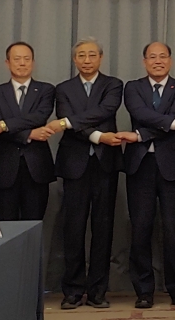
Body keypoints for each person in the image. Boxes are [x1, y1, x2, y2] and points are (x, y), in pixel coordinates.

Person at [118, 42, 175, 309]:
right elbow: (141, 114)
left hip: (171, 166)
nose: (158, 61)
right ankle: (143, 290)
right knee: (140, 229)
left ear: (170, 61)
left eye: (163, 56)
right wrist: (174, 124)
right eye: (152, 57)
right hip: (140, 166)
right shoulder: (133, 88)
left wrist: (139, 135)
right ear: (144, 62)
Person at [50, 38, 124, 310]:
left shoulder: (113, 85)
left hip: (105, 164)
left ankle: (97, 291)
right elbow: (70, 120)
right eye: (81, 55)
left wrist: (69, 122)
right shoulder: (63, 89)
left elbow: (105, 111)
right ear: (74, 59)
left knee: (103, 228)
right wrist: (97, 136)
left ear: (101, 58)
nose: (87, 59)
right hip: (74, 164)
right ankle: (72, 290)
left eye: (92, 55)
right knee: (73, 228)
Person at [0, 42, 56, 222]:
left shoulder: (46, 90)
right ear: (7, 63)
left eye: (26, 59)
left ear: (33, 62)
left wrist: (5, 124)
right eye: (17, 59)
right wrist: (29, 134)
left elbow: (39, 117)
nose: (22, 63)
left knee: (33, 224)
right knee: (5, 225)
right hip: (4, 168)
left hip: (37, 167)